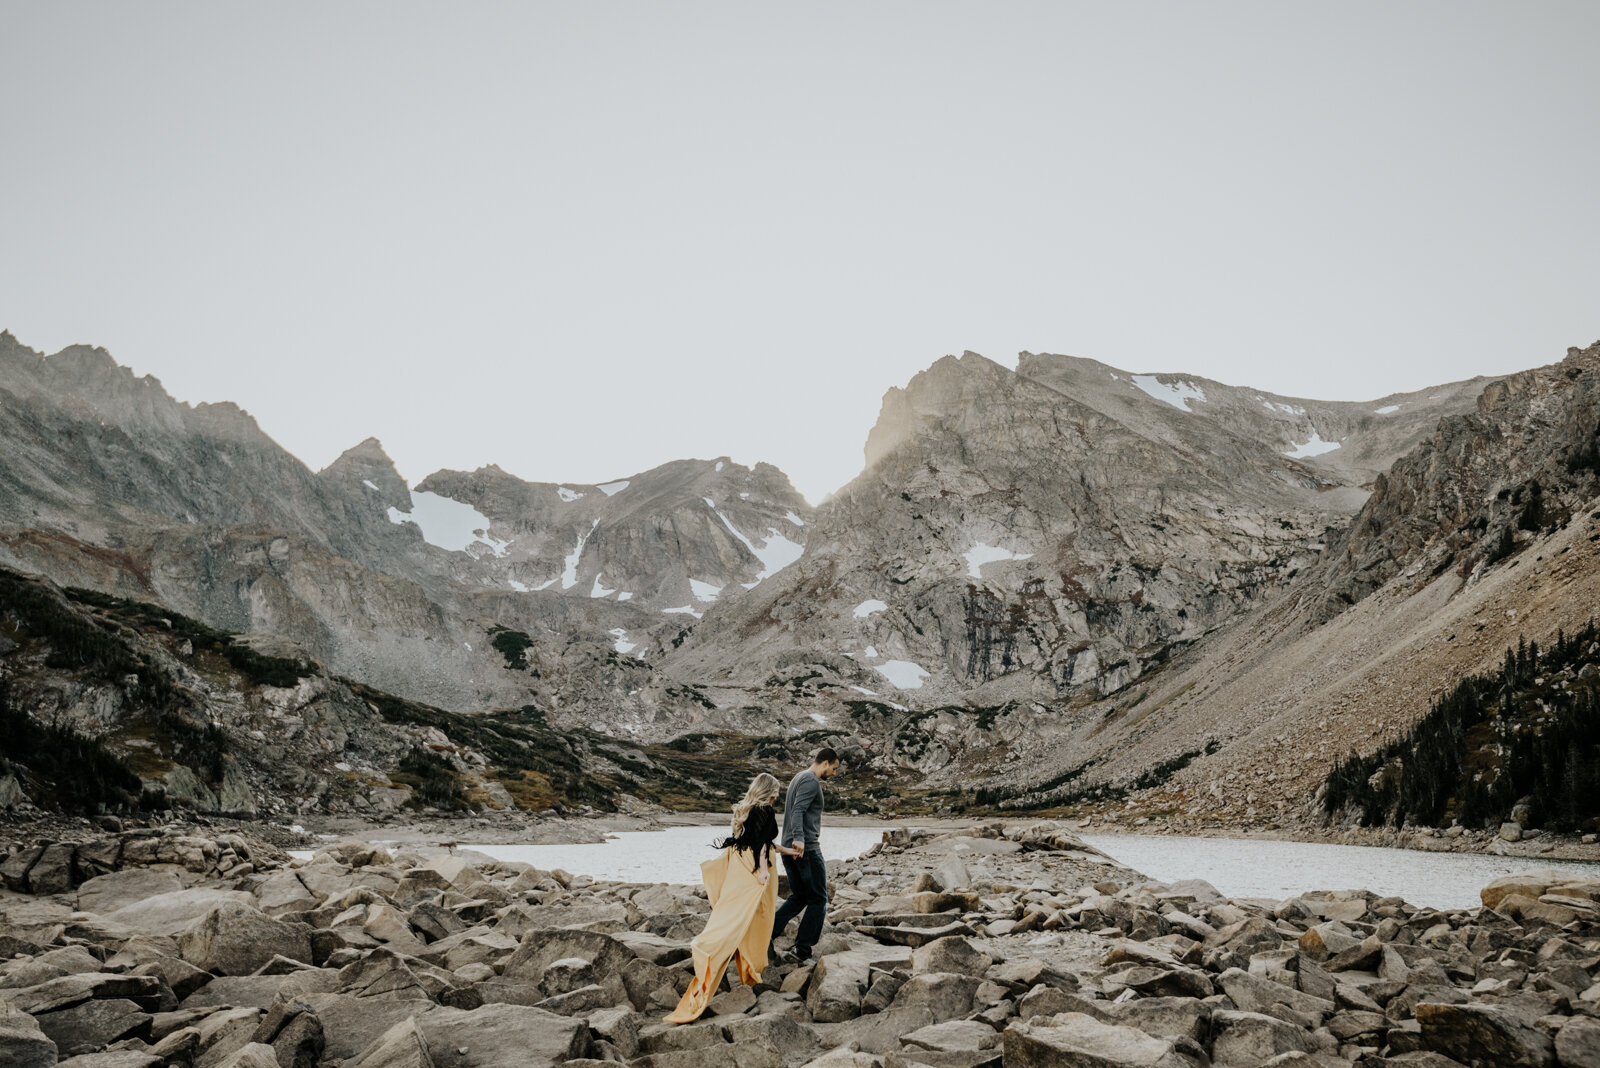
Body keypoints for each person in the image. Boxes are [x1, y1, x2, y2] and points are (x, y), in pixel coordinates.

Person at [664, 772, 797, 1023]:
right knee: (757, 917)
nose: (777, 797)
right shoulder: (765, 810)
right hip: (755, 866)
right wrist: (764, 871)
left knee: (735, 912)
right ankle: (741, 963)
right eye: (776, 792)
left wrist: (787, 850)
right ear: (769, 791)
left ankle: (738, 962)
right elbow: (760, 845)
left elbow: (761, 841)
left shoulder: (746, 810)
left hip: (739, 862)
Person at [771, 747, 842, 962]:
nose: (834, 773)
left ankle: (766, 936)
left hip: (789, 849)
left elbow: (795, 810)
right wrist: (799, 839)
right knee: (819, 898)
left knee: (800, 896)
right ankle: (802, 949)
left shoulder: (798, 777)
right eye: (834, 768)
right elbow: (799, 810)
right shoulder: (811, 780)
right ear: (825, 763)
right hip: (805, 849)